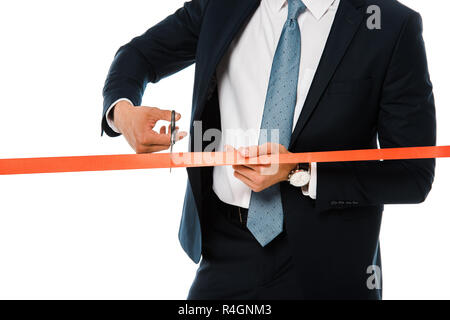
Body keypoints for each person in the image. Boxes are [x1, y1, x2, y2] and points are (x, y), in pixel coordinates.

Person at [102, 0, 436, 300]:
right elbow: (139, 55)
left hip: (333, 261)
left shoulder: (390, 25)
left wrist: (300, 172)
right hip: (227, 250)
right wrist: (123, 113)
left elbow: (412, 175)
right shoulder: (222, 6)